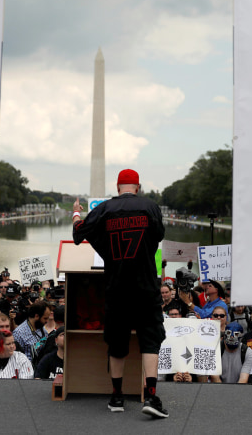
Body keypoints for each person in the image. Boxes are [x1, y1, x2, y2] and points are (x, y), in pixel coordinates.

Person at [72, 168, 168, 418]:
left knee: (117, 343)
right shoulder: (150, 207)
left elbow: (78, 234)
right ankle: (152, 396)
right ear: (138, 187)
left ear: (117, 188)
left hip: (116, 288)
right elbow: (158, 236)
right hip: (146, 287)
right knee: (150, 341)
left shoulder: (103, 209)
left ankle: (116, 397)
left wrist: (75, 214)